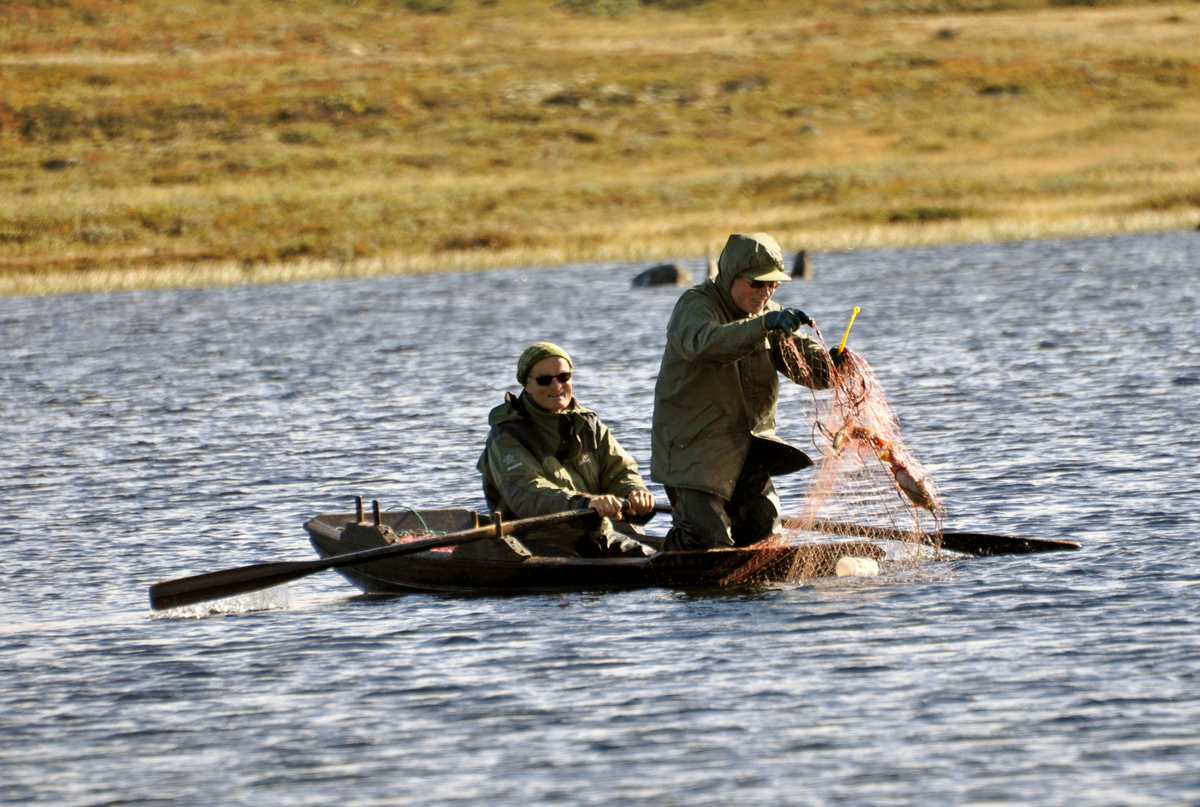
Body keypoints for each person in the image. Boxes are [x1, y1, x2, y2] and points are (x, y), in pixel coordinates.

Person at [651, 232, 841, 552]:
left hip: (747, 452)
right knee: (708, 545)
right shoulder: (695, 306)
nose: (765, 292)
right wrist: (764, 325)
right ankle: (663, 557)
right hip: (692, 455)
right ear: (731, 276)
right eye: (757, 283)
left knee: (766, 536)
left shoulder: (770, 315)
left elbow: (808, 369)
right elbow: (706, 345)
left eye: (774, 284)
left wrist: (834, 365)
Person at [472, 342, 657, 558]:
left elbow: (621, 470)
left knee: (652, 560)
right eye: (544, 380)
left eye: (563, 377)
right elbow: (527, 494)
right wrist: (584, 502)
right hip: (533, 541)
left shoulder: (590, 424)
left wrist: (635, 492)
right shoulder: (506, 435)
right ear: (526, 385)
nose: (556, 386)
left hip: (599, 534)